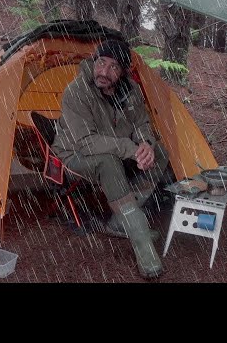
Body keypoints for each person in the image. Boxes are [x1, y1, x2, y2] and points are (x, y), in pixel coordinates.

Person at [51, 38, 172, 279]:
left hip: (114, 149)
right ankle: (141, 238)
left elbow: (141, 123)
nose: (104, 72)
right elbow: (85, 141)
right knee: (108, 162)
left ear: (123, 71)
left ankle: (120, 222)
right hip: (74, 155)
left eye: (114, 67)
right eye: (101, 62)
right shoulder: (77, 91)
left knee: (160, 153)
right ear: (94, 61)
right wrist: (130, 148)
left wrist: (145, 144)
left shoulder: (132, 91)